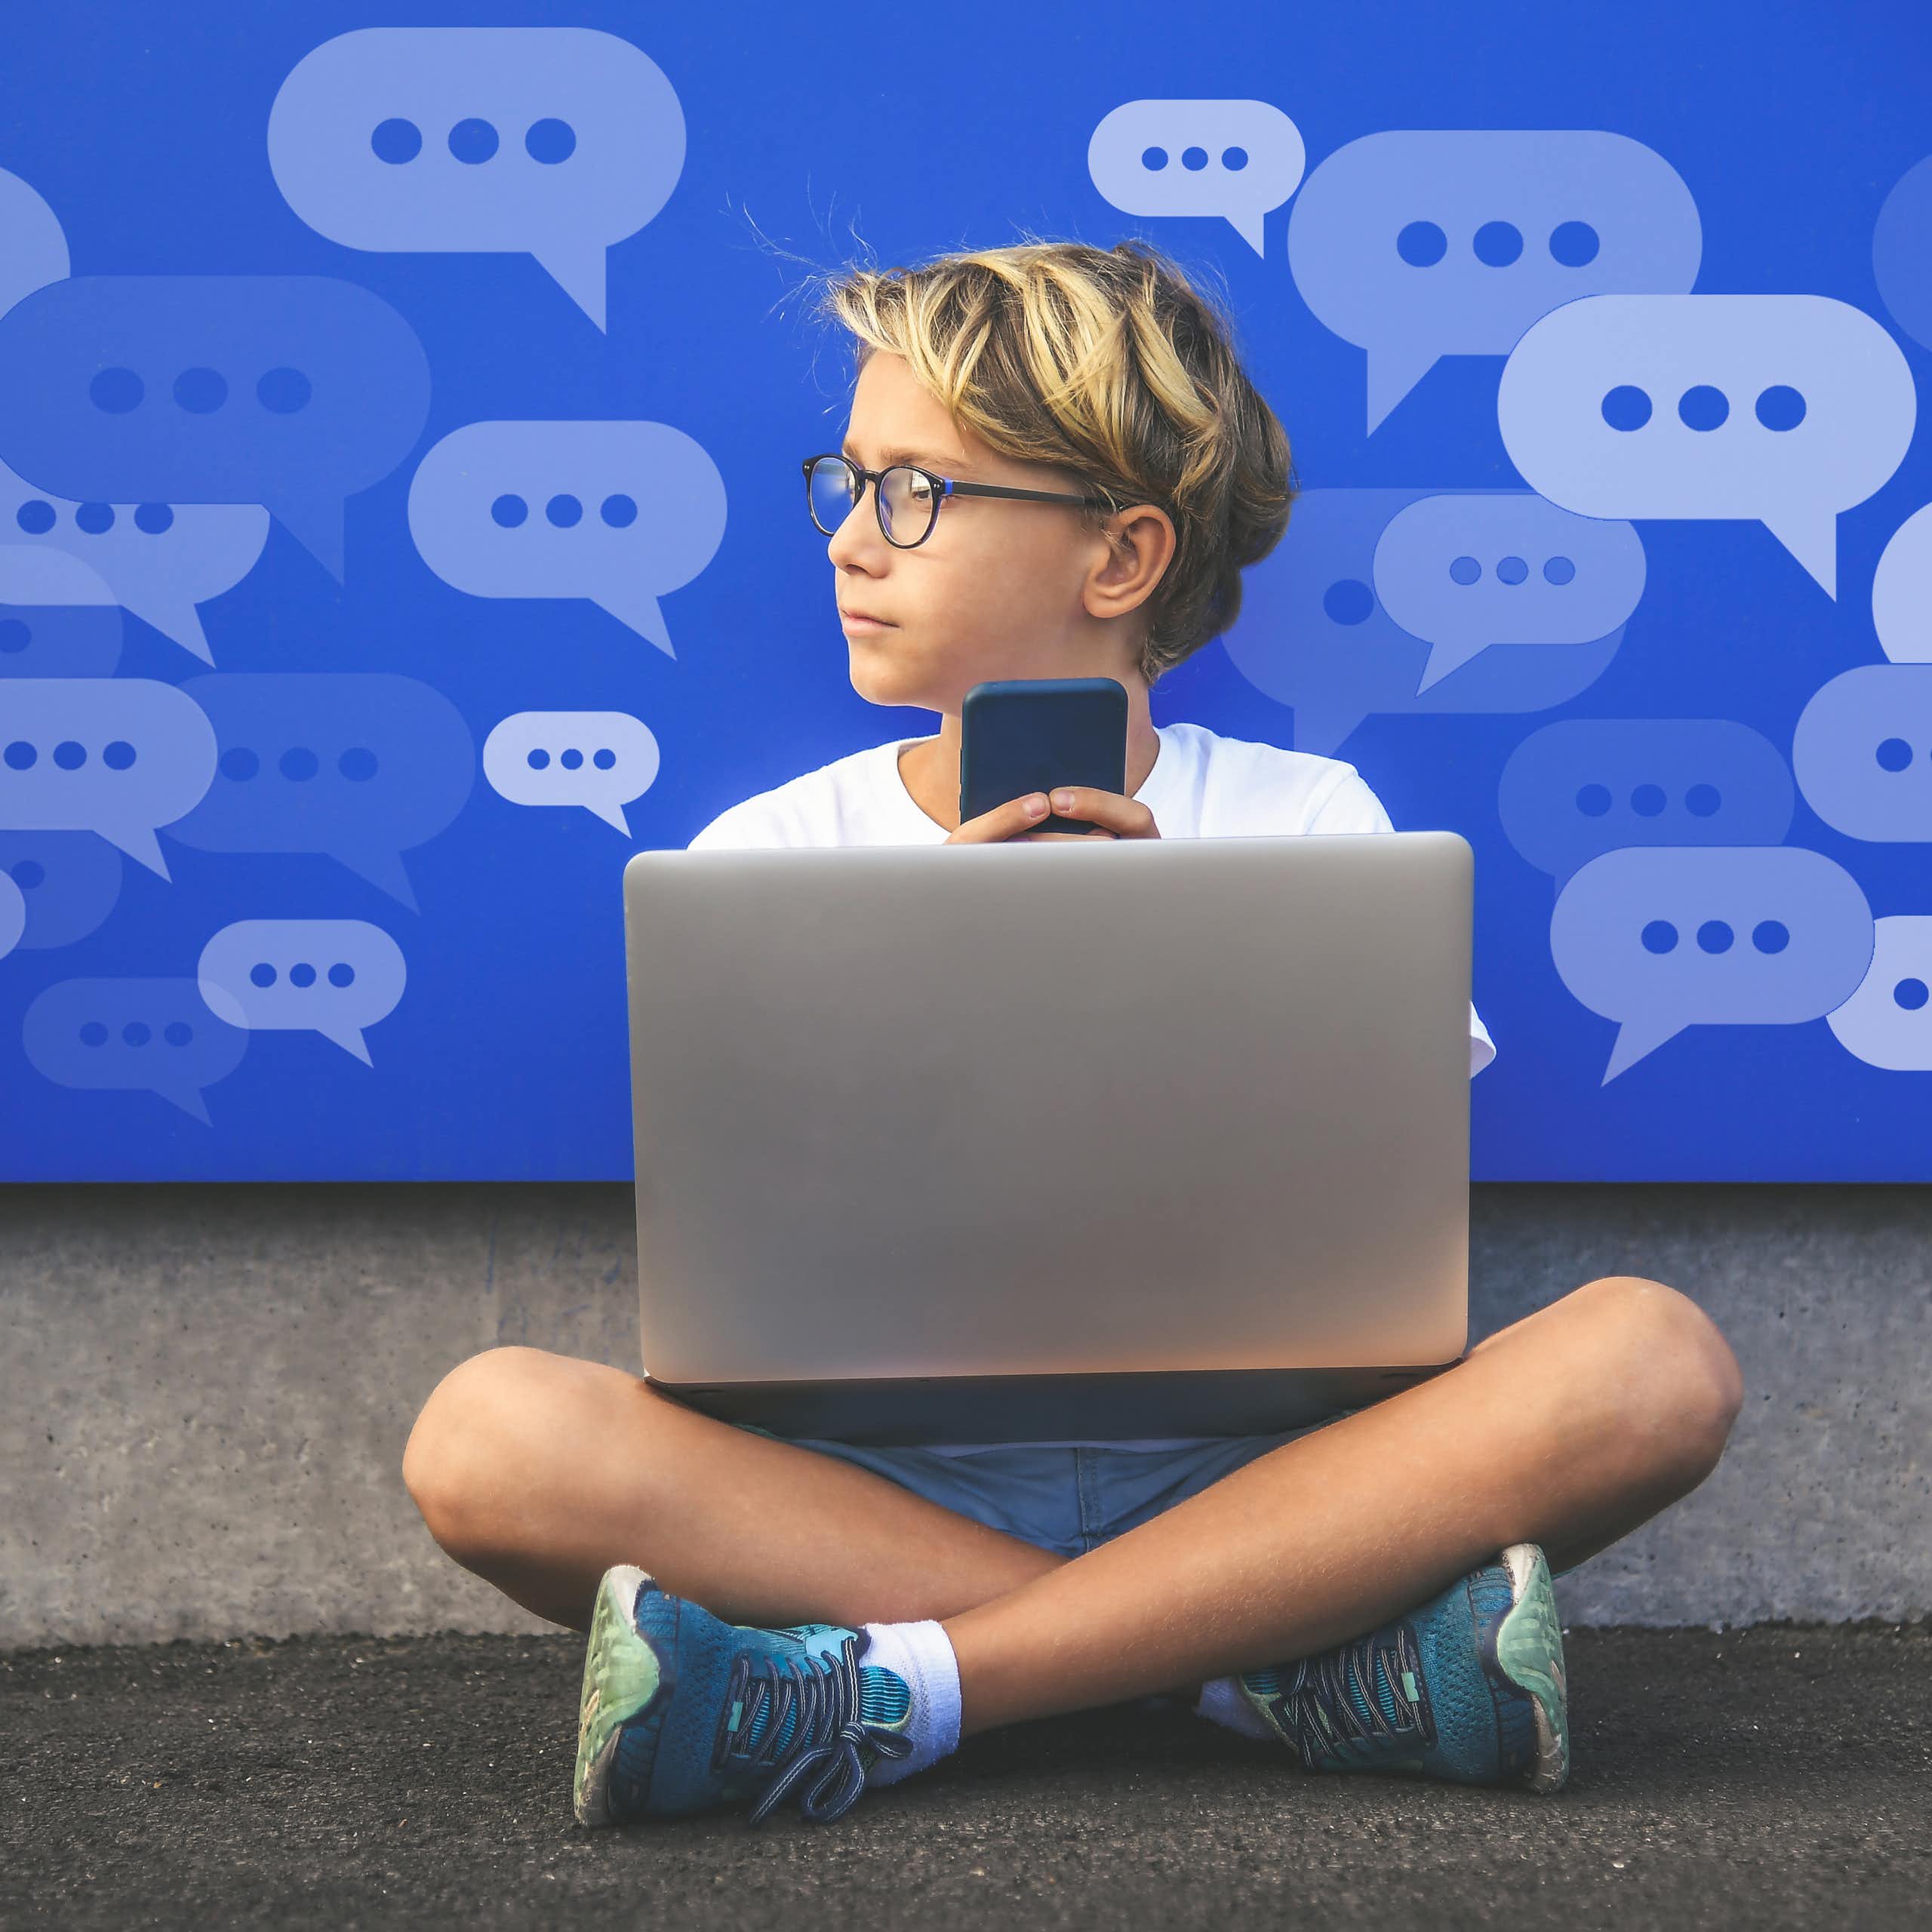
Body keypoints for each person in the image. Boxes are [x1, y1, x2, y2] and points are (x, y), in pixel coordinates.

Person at [401, 236, 1743, 1832]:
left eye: (915, 493)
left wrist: (1173, 970)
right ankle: (1261, 1675)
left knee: (1652, 1360)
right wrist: (921, 995)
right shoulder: (763, 852)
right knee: (485, 1435)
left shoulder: (1304, 819)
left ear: (1116, 559)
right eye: (846, 483)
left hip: (1260, 1470)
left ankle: (896, 1689)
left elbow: (1365, 1205)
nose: (850, 540)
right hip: (871, 1484)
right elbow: (755, 1257)